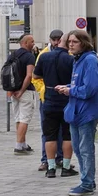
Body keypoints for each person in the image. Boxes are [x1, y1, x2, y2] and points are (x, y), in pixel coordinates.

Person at [58, 30, 98, 196]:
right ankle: (87, 179)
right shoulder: (77, 60)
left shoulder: (89, 59)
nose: (70, 44)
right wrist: (67, 88)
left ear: (83, 43)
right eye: (69, 41)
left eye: (74, 42)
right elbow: (79, 86)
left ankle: (87, 183)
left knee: (85, 148)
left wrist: (70, 91)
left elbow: (90, 88)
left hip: (87, 112)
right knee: (77, 147)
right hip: (75, 111)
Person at [32, 31, 78, 179]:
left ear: (58, 42)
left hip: (49, 99)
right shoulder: (71, 60)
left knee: (49, 135)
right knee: (67, 135)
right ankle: (65, 166)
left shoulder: (44, 56)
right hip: (66, 100)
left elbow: (36, 76)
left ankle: (50, 168)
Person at [33, 30, 65, 170]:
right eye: (54, 39)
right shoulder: (43, 54)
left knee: (63, 131)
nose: (56, 42)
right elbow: (36, 77)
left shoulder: (67, 54)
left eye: (59, 39)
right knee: (48, 131)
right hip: (47, 97)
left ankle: (61, 158)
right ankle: (46, 159)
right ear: (50, 40)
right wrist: (42, 91)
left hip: (64, 97)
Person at [8, 34, 37, 155]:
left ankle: (23, 143)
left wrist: (11, 90)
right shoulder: (29, 56)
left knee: (18, 118)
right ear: (25, 43)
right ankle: (18, 146)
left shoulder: (12, 55)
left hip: (14, 90)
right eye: (32, 41)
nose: (34, 43)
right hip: (25, 91)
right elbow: (29, 75)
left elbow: (7, 73)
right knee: (25, 119)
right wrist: (22, 90)